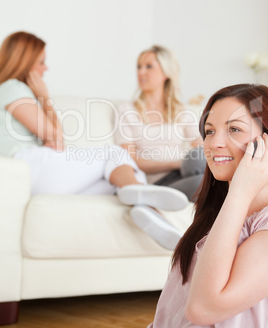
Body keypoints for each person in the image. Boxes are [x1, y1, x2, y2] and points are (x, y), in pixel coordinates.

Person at [0, 31, 189, 250]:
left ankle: (154, 218)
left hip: (36, 174)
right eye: (41, 62)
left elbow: (55, 140)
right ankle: (145, 199)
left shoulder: (17, 92)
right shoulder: (12, 88)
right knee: (116, 154)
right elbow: (55, 137)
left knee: (114, 182)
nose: (46, 68)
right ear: (26, 62)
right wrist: (44, 97)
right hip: (26, 166)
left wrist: (43, 104)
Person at [148, 83, 268, 327]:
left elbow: (202, 309)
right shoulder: (216, 216)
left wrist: (239, 193)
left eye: (234, 129)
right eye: (210, 131)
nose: (214, 144)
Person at [114, 45, 206, 239]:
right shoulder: (126, 110)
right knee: (202, 181)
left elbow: (203, 148)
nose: (141, 72)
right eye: (139, 67)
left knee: (200, 158)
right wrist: (178, 162)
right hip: (159, 184)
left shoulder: (181, 111)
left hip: (185, 171)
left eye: (149, 66)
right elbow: (130, 160)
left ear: (166, 72)